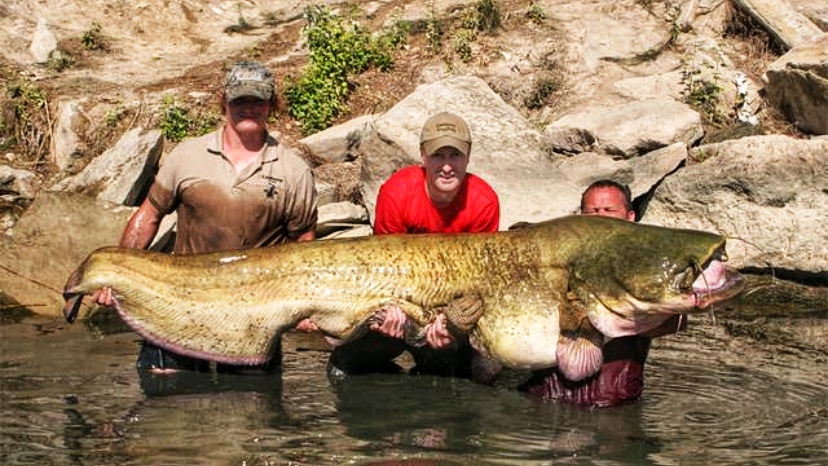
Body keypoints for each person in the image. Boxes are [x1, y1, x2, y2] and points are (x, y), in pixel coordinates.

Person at [93, 61, 318, 374]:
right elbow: (149, 216)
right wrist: (116, 274)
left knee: (252, 416)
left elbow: (305, 247)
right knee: (164, 398)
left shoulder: (293, 170)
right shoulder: (187, 156)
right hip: (178, 307)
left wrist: (306, 306)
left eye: (258, 100)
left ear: (272, 104)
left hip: (254, 317)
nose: (249, 109)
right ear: (223, 101)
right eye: (240, 101)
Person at [325, 111, 501, 381]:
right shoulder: (396, 193)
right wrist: (388, 312)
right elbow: (381, 271)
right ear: (422, 156)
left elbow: (482, 282)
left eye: (454, 156)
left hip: (452, 312)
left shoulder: (483, 202)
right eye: (437, 156)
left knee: (483, 372)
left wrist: (449, 323)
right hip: (401, 304)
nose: (446, 166)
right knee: (342, 367)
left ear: (468, 156)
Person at [517, 179, 686, 407]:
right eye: (593, 212)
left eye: (609, 210)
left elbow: (678, 320)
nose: (601, 217)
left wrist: (623, 319)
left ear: (630, 218)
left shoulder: (648, 266)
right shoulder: (554, 261)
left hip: (613, 403)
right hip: (546, 396)